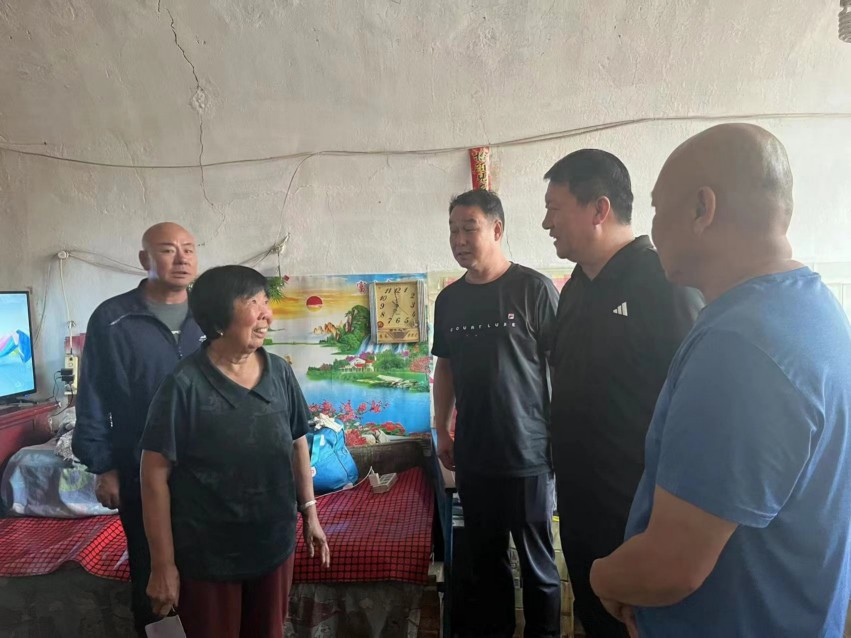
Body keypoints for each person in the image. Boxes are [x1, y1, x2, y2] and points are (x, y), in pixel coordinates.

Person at [590, 123, 851, 636]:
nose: (653, 229)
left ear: (701, 209)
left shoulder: (742, 345)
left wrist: (602, 578)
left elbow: (672, 566)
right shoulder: (814, 311)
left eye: (657, 209)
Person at [541, 150, 703, 637]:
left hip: (640, 517)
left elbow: (695, 417)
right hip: (579, 509)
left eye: (554, 208)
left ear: (599, 209)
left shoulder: (664, 285)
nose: (546, 223)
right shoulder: (575, 289)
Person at [141, 265, 330, 638]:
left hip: (273, 545)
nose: (267, 314)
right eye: (254, 303)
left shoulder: (279, 372)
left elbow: (297, 442)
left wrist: (310, 513)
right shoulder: (184, 385)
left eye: (265, 302)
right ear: (219, 317)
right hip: (208, 557)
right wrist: (163, 564)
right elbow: (152, 476)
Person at [433, 189, 561, 638]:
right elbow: (445, 367)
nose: (459, 239)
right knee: (486, 566)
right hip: (474, 455)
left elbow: (562, 367)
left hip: (529, 454)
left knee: (538, 567)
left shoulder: (533, 288)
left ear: (497, 229)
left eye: (469, 228)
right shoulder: (449, 301)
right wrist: (441, 429)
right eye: (453, 230)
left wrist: (565, 438)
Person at [73, 222, 203, 635]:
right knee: (154, 577)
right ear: (145, 259)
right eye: (168, 249)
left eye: (189, 249)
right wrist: (103, 466)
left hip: (209, 470)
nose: (181, 258)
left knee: (208, 575)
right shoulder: (113, 318)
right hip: (139, 468)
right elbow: (93, 396)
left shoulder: (212, 312)